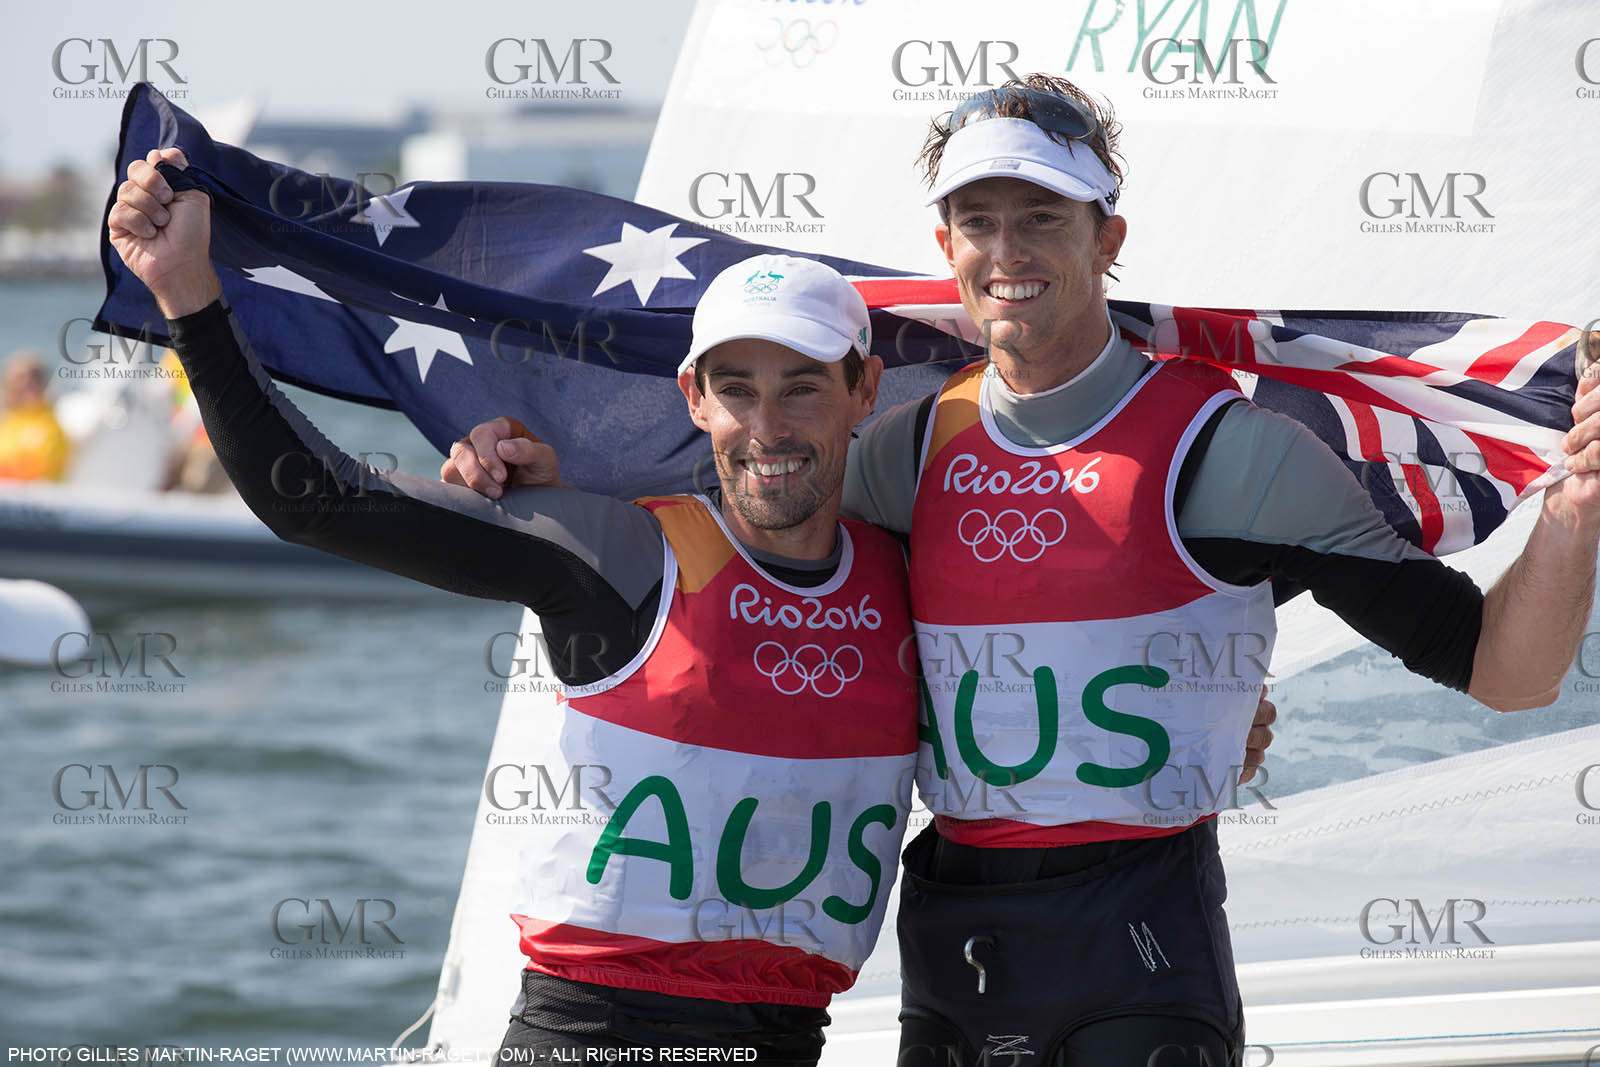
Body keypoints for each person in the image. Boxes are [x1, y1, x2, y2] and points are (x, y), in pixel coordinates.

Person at [446, 74, 1600, 1066]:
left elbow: (1507, 673)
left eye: (1042, 217)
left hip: (1138, 946)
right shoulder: (902, 450)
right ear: (945, 248)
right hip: (950, 945)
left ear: (1107, 238)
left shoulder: (1235, 453)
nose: (1007, 251)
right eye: (978, 220)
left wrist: (1577, 498)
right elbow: (729, 557)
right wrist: (540, 485)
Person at [110, 147, 922, 1064]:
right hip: (593, 1038)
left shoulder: (911, 580)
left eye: (802, 387)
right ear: (695, 398)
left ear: (864, 389)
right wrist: (188, 294)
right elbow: (315, 500)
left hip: (792, 1041)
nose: (767, 427)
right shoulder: (622, 555)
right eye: (737, 389)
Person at [0, 350, 71, 481]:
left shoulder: (49, 424)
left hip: (38, 492)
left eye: (34, 377)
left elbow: (41, 467)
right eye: (19, 379)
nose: (26, 383)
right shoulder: (9, 420)